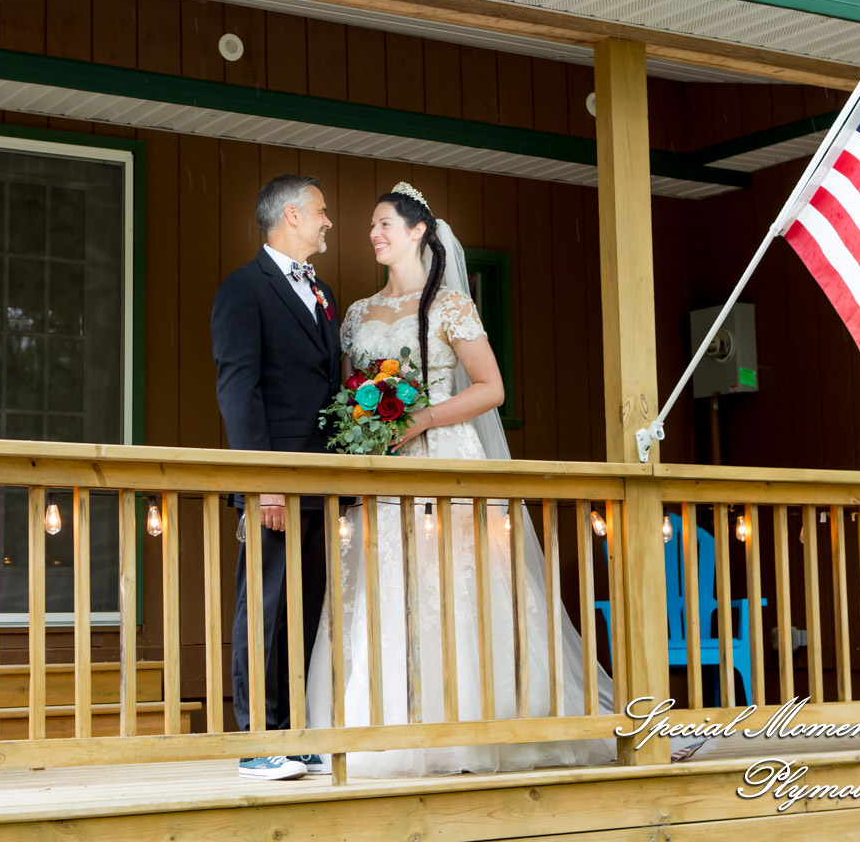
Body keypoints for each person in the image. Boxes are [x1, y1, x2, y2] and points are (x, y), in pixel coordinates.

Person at [305, 181, 619, 777]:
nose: (373, 234)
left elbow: (490, 388)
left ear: (418, 231)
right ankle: (389, 718)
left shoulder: (450, 306)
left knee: (456, 585)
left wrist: (419, 416)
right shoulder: (356, 314)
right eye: (370, 226)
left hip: (445, 456)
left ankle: (479, 716)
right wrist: (364, 423)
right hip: (385, 468)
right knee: (384, 585)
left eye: (384, 224)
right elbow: (350, 391)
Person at [211, 174, 341, 781]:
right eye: (320, 211)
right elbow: (240, 389)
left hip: (319, 477)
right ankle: (257, 740)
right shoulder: (244, 289)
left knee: (306, 607)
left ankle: (293, 731)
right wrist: (262, 480)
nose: (328, 222)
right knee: (262, 605)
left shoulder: (322, 291)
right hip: (275, 478)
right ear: (291, 214)